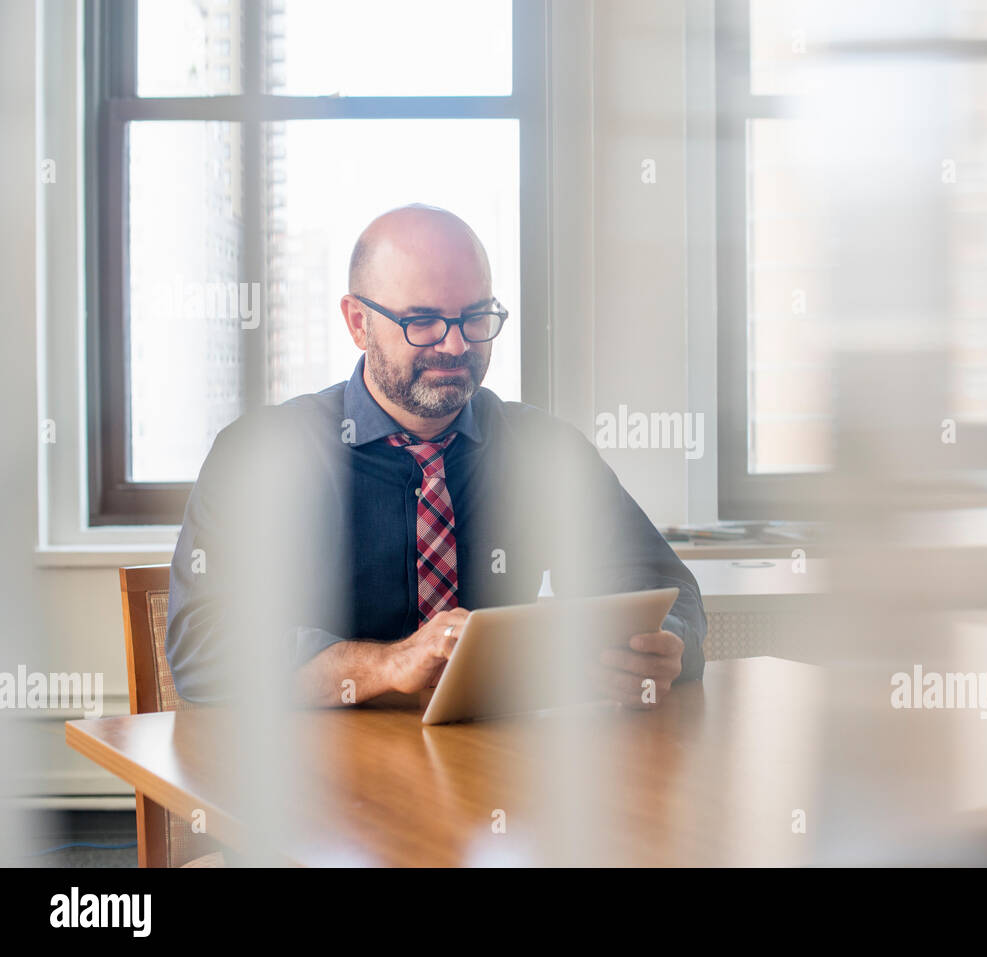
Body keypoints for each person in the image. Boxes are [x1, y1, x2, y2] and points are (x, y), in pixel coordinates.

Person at [165, 204, 705, 708]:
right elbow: (203, 643)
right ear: (358, 323)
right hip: (315, 783)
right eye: (421, 321)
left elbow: (666, 587)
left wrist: (664, 644)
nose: (455, 346)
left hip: (495, 772)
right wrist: (384, 664)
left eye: (475, 318)